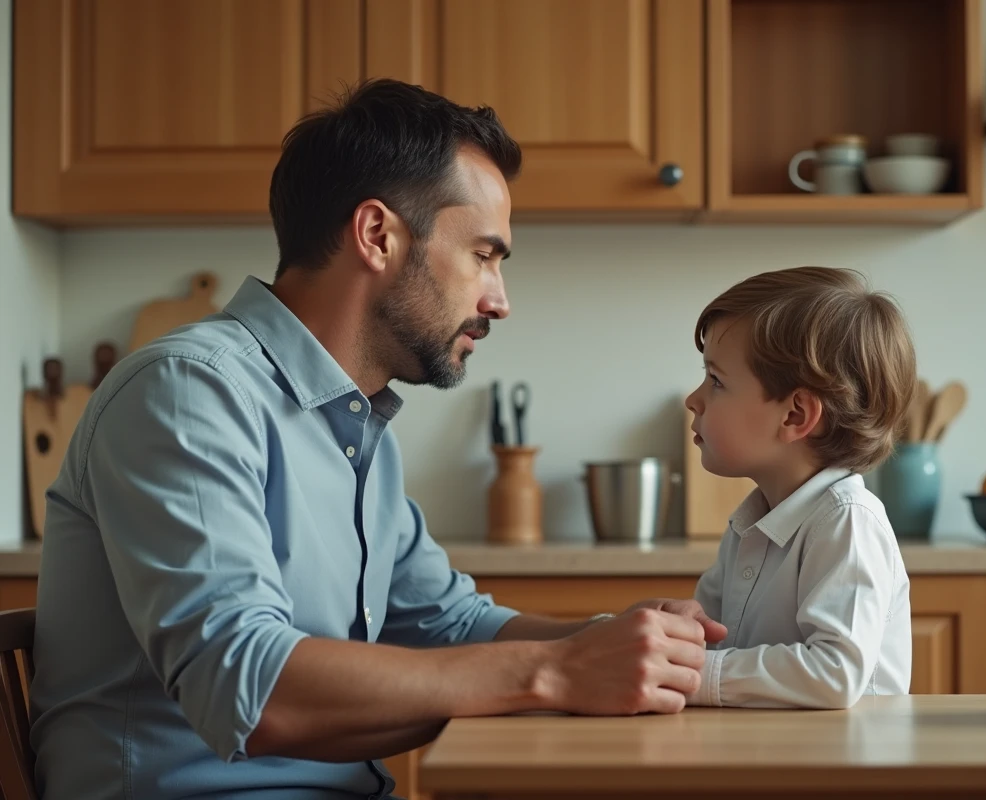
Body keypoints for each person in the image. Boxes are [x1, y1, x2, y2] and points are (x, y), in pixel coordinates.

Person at [29, 78, 725, 800]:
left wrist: (615, 638)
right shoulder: (187, 392)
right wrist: (557, 670)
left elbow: (447, 623)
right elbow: (250, 687)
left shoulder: (356, 427)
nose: (499, 301)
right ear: (377, 235)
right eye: (484, 255)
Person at [683, 266, 915, 709]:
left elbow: (834, 673)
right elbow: (713, 640)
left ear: (795, 416)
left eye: (716, 381)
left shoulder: (847, 521)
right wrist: (673, 635)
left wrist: (692, 673)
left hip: (845, 755)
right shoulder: (750, 523)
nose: (693, 400)